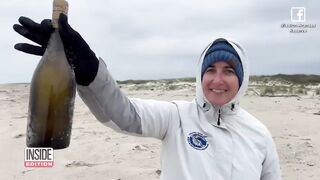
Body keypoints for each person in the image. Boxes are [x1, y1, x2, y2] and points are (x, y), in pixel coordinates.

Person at [13, 14, 281, 180]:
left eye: (229, 71)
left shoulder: (259, 134)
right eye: (210, 69)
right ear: (200, 76)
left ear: (242, 78)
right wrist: (89, 71)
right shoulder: (177, 117)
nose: (218, 80)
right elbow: (124, 115)